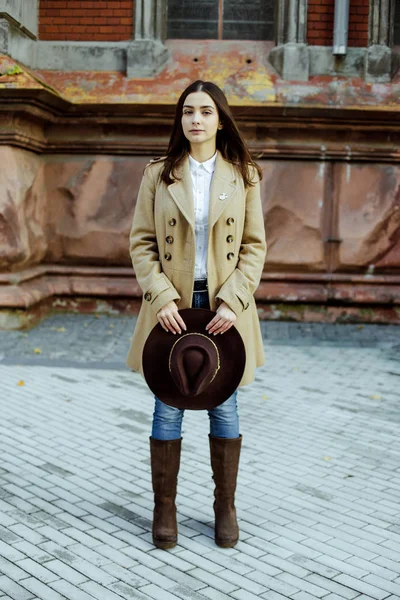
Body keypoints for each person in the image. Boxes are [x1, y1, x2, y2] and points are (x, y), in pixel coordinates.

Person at [127, 80, 267, 550]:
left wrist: (235, 299)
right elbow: (142, 243)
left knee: (223, 404)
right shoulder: (159, 174)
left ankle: (224, 506)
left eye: (206, 111)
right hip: (174, 306)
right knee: (168, 403)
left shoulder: (244, 174)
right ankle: (163, 508)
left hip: (223, 307)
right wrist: (161, 297)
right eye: (189, 111)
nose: (196, 120)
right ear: (180, 119)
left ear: (220, 119)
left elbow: (254, 246)